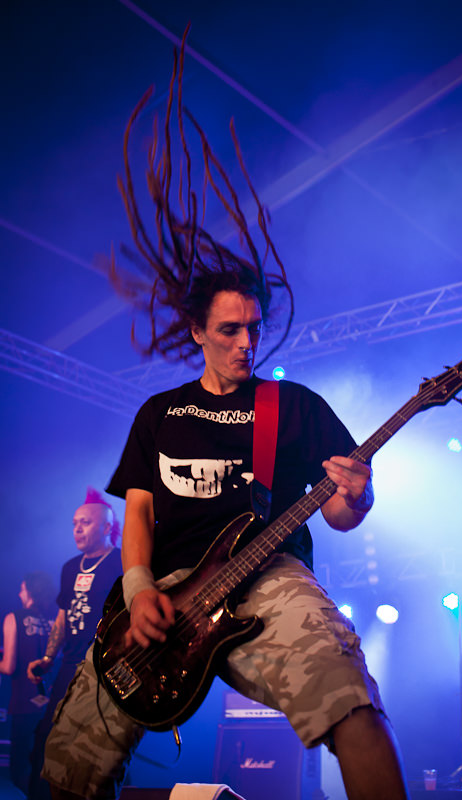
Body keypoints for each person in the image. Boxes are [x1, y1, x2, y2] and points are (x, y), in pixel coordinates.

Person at [42, 32, 410, 800]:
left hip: (269, 578)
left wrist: (358, 494)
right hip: (164, 588)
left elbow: (340, 515)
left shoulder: (292, 406)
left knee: (350, 701)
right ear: (198, 332)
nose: (246, 343)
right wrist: (137, 588)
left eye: (253, 329)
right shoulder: (161, 411)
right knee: (69, 766)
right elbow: (137, 510)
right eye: (229, 330)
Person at [27, 489, 122, 800]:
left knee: (97, 751)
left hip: (105, 668)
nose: (77, 529)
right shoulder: (70, 567)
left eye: (85, 523)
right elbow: (62, 618)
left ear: (107, 527)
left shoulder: (121, 562)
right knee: (46, 738)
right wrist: (48, 658)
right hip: (70, 666)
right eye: (74, 523)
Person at [0, 572, 56, 795]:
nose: (19, 593)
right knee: (44, 767)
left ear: (31, 592)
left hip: (23, 703)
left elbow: (9, 667)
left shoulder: (14, 617)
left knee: (19, 769)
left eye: (22, 589)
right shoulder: (55, 620)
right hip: (51, 704)